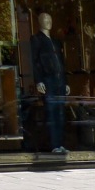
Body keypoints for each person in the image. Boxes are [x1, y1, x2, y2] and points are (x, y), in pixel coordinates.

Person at [31, 11, 69, 153]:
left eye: (50, 19)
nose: (48, 22)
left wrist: (66, 82)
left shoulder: (55, 42)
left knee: (60, 113)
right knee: (51, 113)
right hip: (48, 80)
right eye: (45, 19)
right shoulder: (36, 40)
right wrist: (39, 80)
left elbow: (62, 63)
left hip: (59, 80)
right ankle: (53, 145)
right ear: (40, 21)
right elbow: (34, 62)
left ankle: (60, 143)